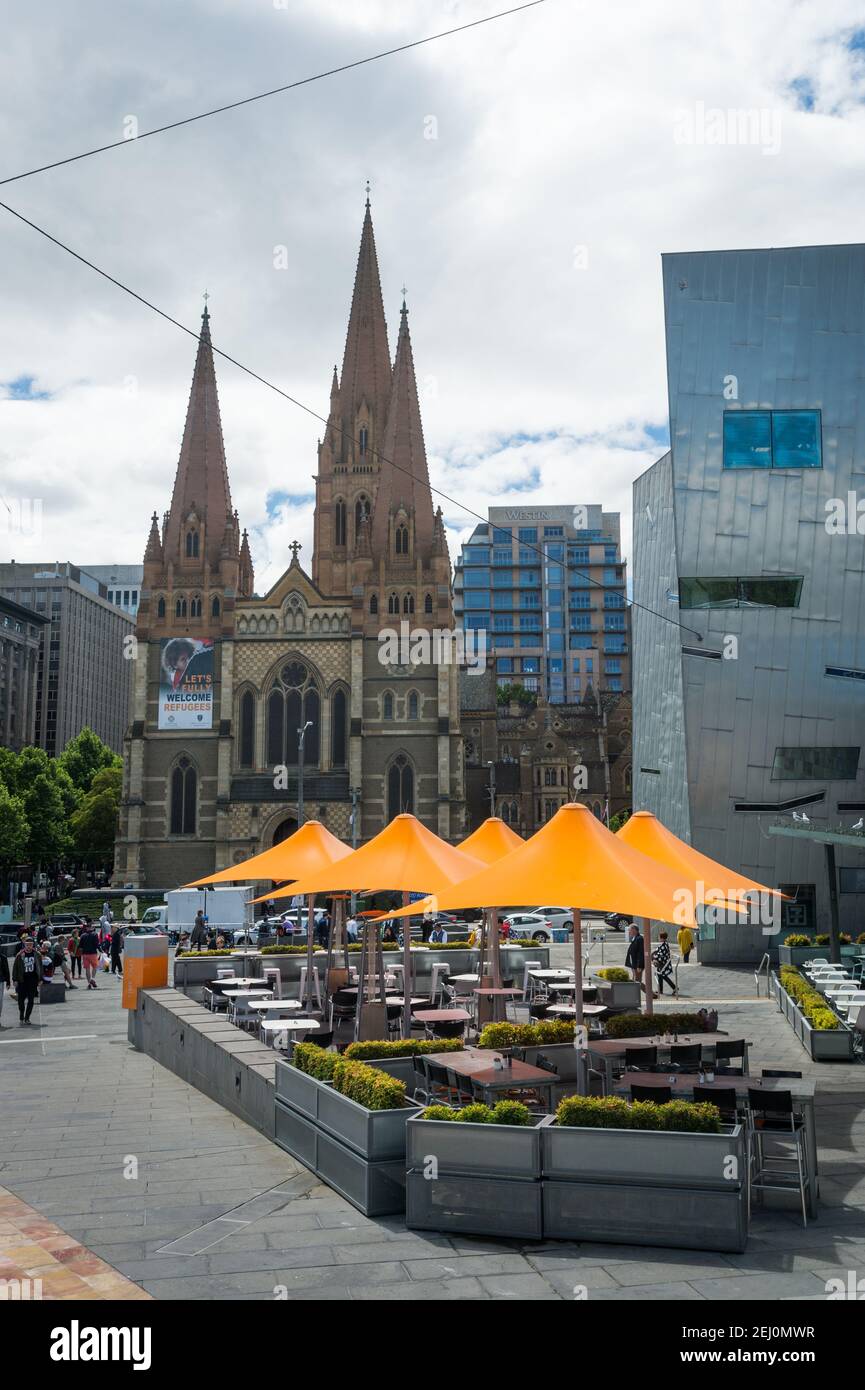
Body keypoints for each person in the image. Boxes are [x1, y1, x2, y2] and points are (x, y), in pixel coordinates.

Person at [13, 937, 43, 1024]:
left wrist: (40, 979)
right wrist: (14, 979)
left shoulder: (37, 954)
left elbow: (40, 967)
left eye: (30, 945)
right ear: (24, 945)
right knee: (20, 1000)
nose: (29, 946)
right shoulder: (20, 955)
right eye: (27, 945)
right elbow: (15, 968)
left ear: (33, 945)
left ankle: (27, 1018)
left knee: (31, 1000)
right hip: (22, 980)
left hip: (32, 980)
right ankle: (21, 1014)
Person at [652, 930, 678, 997]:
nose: (658, 938)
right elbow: (658, 951)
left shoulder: (664, 945)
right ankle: (661, 989)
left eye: (659, 937)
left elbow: (660, 955)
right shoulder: (664, 944)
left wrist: (654, 957)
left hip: (663, 963)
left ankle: (674, 988)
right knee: (661, 975)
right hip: (663, 963)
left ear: (662, 938)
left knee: (663, 975)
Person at [79, 918, 101, 989]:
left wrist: (82, 953)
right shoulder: (95, 935)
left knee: (87, 969)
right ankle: (92, 979)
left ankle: (89, 983)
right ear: (91, 928)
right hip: (93, 953)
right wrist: (101, 950)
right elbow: (97, 945)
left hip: (85, 954)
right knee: (95, 967)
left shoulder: (82, 935)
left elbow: (80, 947)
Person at [625, 923, 645, 991]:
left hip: (637, 965)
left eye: (630, 930)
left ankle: (652, 994)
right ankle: (634, 996)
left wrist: (640, 965)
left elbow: (641, 953)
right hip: (634, 964)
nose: (629, 932)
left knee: (637, 982)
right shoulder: (635, 938)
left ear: (634, 930)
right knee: (636, 981)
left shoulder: (640, 939)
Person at [0, 949, 10, 1028]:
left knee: (0, 1002)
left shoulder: (2, 957)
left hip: (0, 981)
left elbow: (6, 969)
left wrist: (8, 981)